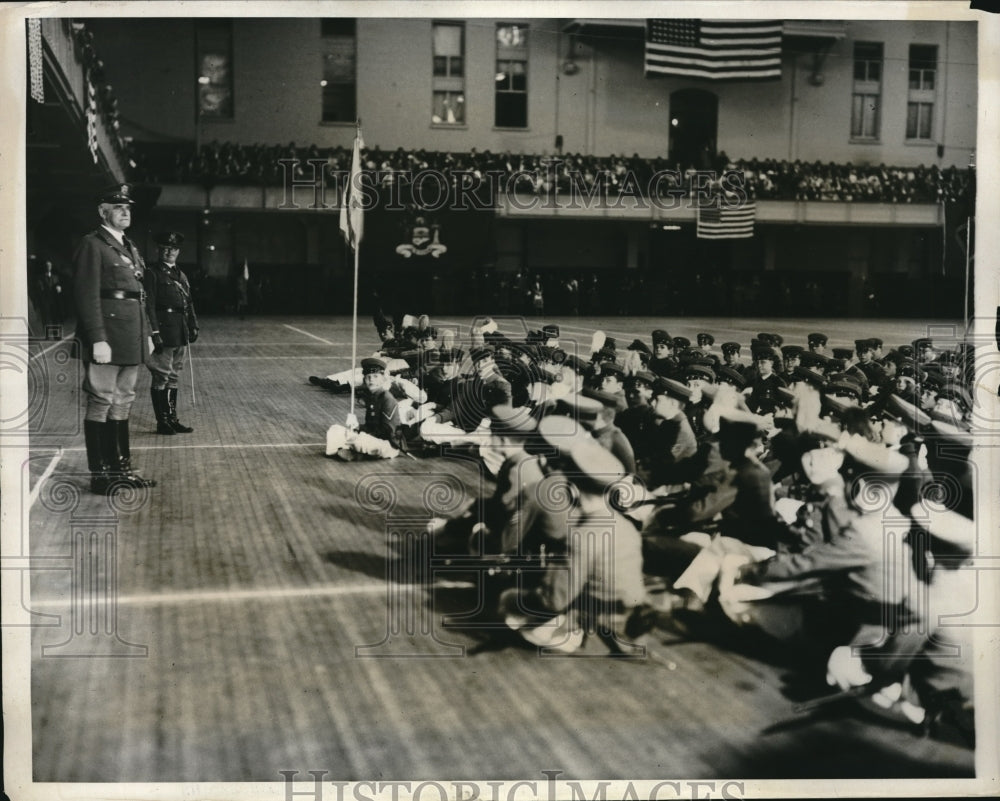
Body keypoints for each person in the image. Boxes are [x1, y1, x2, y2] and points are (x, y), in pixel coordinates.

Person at [73, 183, 157, 494]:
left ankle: (121, 469)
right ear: (102, 211)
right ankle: (100, 475)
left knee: (123, 400)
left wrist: (146, 334)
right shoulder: (92, 245)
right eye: (118, 207)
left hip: (130, 336)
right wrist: (97, 338)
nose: (125, 212)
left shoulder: (129, 247)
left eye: (128, 208)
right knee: (101, 401)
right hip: (107, 337)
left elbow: (139, 296)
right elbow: (86, 296)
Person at [145, 231, 199, 435]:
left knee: (174, 376)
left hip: (179, 330)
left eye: (174, 249)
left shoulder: (181, 275)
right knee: (161, 376)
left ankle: (172, 419)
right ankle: (162, 421)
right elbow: (148, 305)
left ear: (178, 251)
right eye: (166, 248)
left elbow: (188, 303)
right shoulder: (152, 273)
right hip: (164, 331)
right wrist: (154, 332)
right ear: (159, 250)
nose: (170, 252)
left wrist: (193, 325)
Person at [324, 357, 403, 460]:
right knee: (335, 429)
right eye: (368, 377)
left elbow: (387, 431)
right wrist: (357, 427)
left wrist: (361, 433)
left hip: (388, 444)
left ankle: (356, 453)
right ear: (364, 379)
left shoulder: (387, 399)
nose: (371, 380)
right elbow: (369, 425)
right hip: (372, 438)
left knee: (357, 440)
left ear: (383, 379)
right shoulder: (371, 397)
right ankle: (353, 451)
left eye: (375, 376)